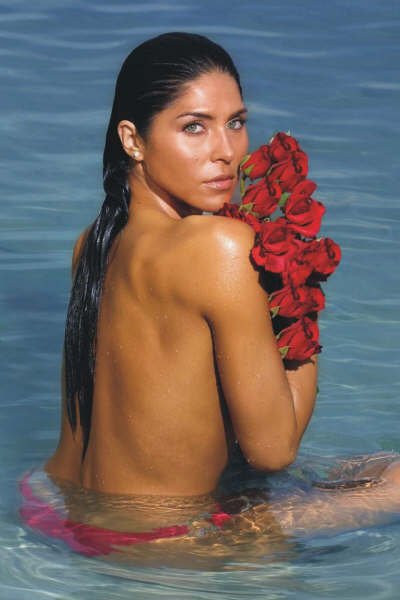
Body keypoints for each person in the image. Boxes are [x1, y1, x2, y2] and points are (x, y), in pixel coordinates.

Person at [21, 32, 400, 560]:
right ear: (132, 140)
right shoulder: (218, 247)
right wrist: (300, 289)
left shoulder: (93, 242)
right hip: (164, 542)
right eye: (194, 127)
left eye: (236, 123)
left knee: (366, 468)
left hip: (53, 507)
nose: (226, 152)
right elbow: (275, 451)